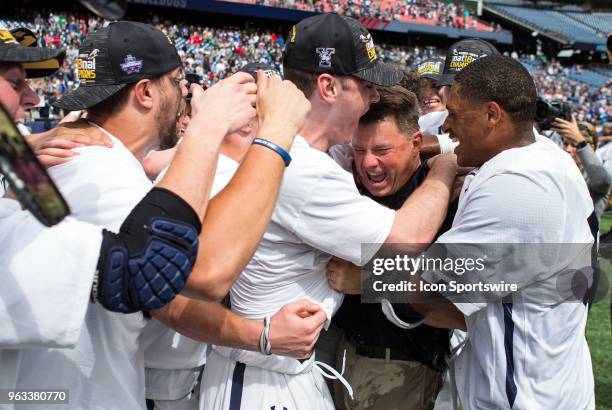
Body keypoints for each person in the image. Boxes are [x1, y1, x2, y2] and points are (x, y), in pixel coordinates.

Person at [4, 20, 323, 409]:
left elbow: (156, 289)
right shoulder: (99, 168)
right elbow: (203, 271)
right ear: (145, 92)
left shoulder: (77, 160)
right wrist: (272, 134)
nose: (186, 94)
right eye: (177, 81)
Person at [200, 13, 458, 410]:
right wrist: (444, 169)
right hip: (263, 379)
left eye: (383, 150)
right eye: (367, 87)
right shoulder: (305, 170)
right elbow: (408, 239)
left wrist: (421, 146)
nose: (373, 98)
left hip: (287, 368)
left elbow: (368, 144)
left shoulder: (292, 147)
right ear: (328, 86)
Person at [404, 55, 595, 409]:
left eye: (457, 114)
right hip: (553, 382)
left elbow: (423, 291)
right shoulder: (550, 159)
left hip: (521, 397)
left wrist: (365, 277)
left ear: (493, 115)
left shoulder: (517, 188)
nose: (448, 127)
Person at [142, 63, 279, 410]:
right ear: (249, 123)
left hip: (183, 356)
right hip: (174, 365)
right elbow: (188, 280)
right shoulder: (225, 173)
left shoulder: (193, 165)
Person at [326, 81, 456, 410]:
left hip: (402, 368)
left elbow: (454, 302)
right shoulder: (346, 183)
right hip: (339, 357)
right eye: (359, 150)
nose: (368, 163)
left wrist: (368, 281)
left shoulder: (445, 197)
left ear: (415, 143)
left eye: (382, 151)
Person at [553, 116, 611, 222]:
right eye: (566, 144)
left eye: (573, 144)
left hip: (584, 238)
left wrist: (580, 142)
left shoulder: (591, 178)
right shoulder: (558, 171)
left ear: (591, 148)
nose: (567, 149)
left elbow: (602, 181)